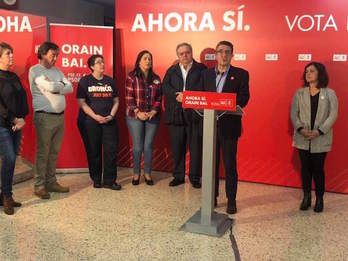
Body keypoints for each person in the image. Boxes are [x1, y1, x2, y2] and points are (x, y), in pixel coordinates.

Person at [200, 40, 250, 214]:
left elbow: (244, 98)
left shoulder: (242, 74)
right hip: (209, 127)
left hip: (229, 127)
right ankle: (211, 197)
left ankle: (231, 200)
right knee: (209, 165)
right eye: (220, 51)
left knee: (229, 165)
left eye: (227, 51)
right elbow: (200, 97)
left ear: (232, 54)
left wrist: (224, 103)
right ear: (215, 54)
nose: (224, 54)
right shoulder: (205, 74)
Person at [290, 62, 338, 213]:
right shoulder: (299, 93)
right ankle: (306, 197)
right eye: (306, 72)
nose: (308, 74)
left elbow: (333, 114)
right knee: (305, 169)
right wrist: (301, 129)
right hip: (302, 137)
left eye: (312, 71)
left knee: (318, 169)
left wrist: (320, 131)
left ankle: (319, 198)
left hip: (320, 138)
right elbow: (293, 114)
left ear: (320, 74)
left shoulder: (329, 93)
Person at [29, 42, 73, 199]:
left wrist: (57, 85)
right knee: (43, 153)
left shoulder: (57, 70)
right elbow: (49, 86)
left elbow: (70, 88)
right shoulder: (35, 70)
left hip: (59, 117)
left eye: (57, 55)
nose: (55, 58)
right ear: (42, 53)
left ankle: (51, 182)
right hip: (44, 117)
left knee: (54, 152)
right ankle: (39, 185)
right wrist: (60, 85)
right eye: (52, 55)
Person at [162, 43, 206, 188]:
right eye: (181, 54)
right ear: (178, 56)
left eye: (187, 52)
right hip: (176, 115)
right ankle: (178, 176)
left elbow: (206, 89)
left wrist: (188, 96)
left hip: (195, 114)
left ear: (192, 53)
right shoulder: (172, 70)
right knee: (177, 147)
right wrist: (177, 95)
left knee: (195, 147)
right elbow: (165, 87)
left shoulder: (202, 69)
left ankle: (194, 177)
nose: (184, 55)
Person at [77, 54, 121, 190]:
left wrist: (111, 115)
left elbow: (116, 100)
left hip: (109, 121)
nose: (102, 64)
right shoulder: (85, 81)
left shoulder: (110, 81)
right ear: (91, 66)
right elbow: (81, 103)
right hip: (90, 121)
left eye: (103, 62)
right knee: (93, 150)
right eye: (98, 62)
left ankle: (109, 180)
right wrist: (95, 116)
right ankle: (96, 179)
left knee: (111, 151)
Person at [125, 50, 162, 186]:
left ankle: (147, 173)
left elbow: (159, 97)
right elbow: (129, 97)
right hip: (135, 116)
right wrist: (137, 111)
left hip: (152, 116)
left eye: (150, 59)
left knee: (148, 146)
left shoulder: (156, 78)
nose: (148, 61)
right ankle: (136, 173)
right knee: (138, 146)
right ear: (139, 61)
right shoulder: (131, 76)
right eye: (145, 58)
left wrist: (153, 111)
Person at [0, 42, 29, 215]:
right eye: (8, 53)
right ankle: (6, 196)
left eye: (12, 53)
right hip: (3, 125)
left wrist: (22, 119)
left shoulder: (14, 76)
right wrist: (13, 119)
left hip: (17, 124)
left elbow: (22, 99)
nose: (11, 56)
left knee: (11, 160)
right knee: (9, 158)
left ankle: (6, 194)